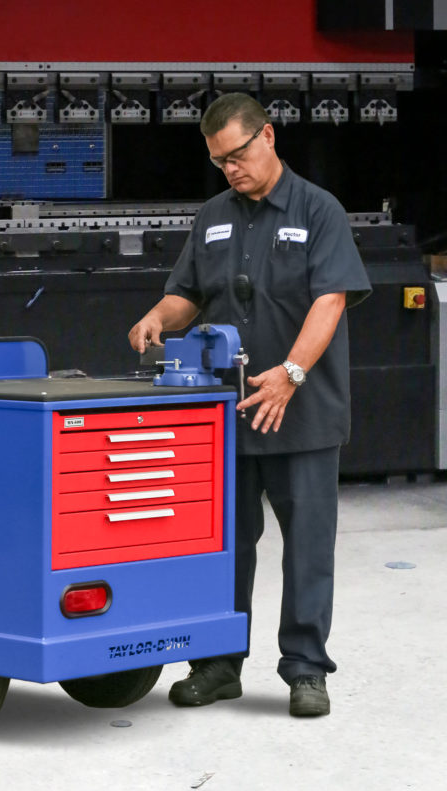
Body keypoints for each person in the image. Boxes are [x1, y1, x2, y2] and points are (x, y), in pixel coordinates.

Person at [127, 92, 371, 718]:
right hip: (227, 416)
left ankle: (306, 671)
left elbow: (332, 300)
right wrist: (160, 315)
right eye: (220, 161)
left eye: (239, 154)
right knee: (221, 545)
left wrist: (290, 374)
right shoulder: (212, 215)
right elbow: (188, 292)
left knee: (307, 548)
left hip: (302, 413)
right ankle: (217, 664)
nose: (232, 168)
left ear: (268, 135)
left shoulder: (320, 211)